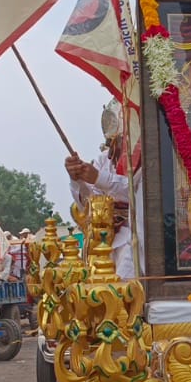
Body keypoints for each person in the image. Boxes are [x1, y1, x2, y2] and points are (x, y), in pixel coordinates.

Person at [66, 102, 136, 279]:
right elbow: (90, 203)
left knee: (121, 286)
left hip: (136, 235)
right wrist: (77, 178)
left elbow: (136, 190)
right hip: (105, 239)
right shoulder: (105, 158)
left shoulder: (143, 154)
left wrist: (99, 178)